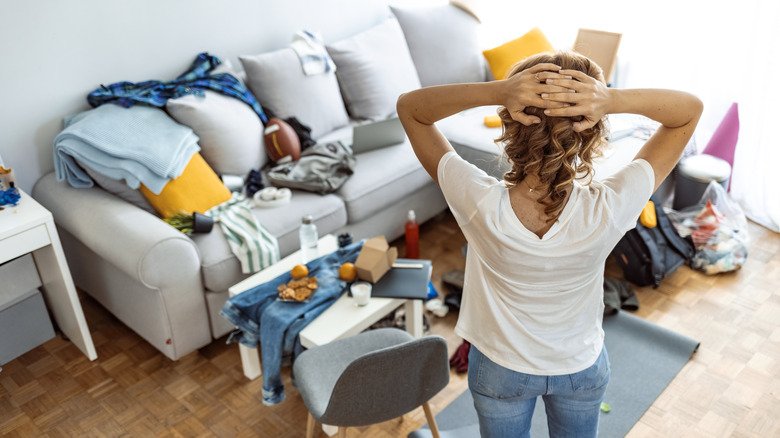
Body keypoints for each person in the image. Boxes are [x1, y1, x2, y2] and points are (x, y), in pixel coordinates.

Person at [396, 51, 702, 437]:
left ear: (511, 122)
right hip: (580, 369)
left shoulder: (477, 201)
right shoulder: (609, 207)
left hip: (499, 370)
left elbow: (410, 108)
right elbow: (689, 110)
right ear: (591, 129)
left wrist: (499, 90)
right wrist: (611, 100)